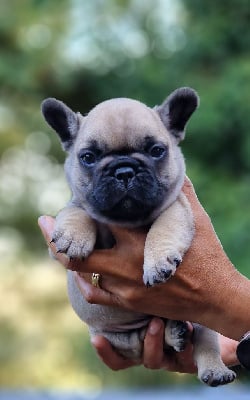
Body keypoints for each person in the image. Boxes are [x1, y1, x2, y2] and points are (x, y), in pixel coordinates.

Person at [38, 178, 250, 373]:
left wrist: (227, 303)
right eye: (92, 156)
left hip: (167, 321)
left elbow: (177, 218)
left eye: (153, 151)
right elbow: (68, 226)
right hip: (114, 330)